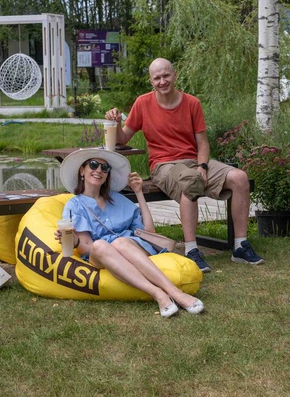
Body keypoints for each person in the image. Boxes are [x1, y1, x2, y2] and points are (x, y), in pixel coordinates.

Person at [106, 57, 264, 272]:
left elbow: (203, 143)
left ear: (175, 75)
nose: (162, 81)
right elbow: (123, 139)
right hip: (164, 165)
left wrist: (203, 166)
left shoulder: (192, 103)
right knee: (191, 181)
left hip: (194, 162)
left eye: (166, 76)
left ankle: (240, 246)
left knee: (240, 178)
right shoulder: (142, 103)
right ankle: (191, 250)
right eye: (157, 78)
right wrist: (115, 123)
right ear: (151, 81)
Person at [56, 147, 204, 318]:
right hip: (101, 254)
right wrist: (75, 241)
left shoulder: (118, 199)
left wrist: (139, 192)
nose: (99, 170)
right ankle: (157, 293)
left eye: (105, 168)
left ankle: (173, 293)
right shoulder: (74, 206)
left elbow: (149, 231)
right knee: (100, 245)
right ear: (82, 170)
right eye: (94, 165)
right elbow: (87, 248)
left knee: (120, 242)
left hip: (131, 246)